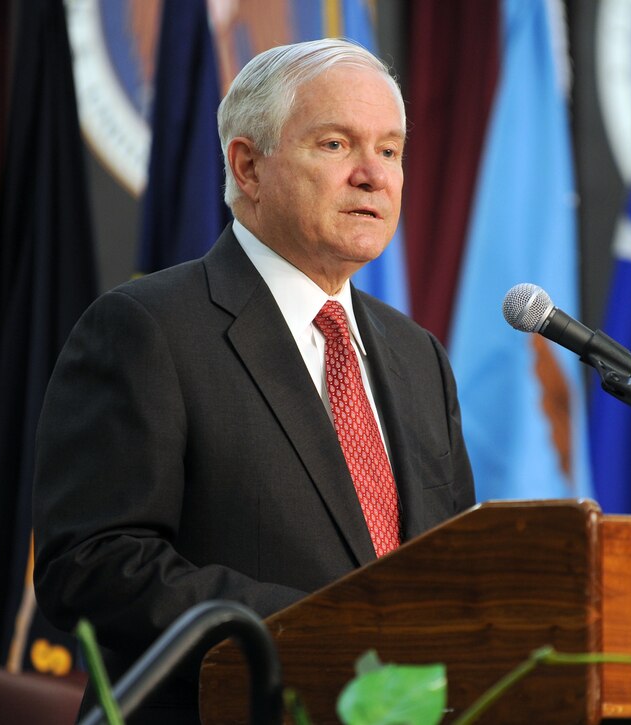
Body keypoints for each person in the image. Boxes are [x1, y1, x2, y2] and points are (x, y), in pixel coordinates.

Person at [32, 38, 475, 723]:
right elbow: (93, 562)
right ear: (248, 166)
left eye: (390, 151)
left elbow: (455, 568)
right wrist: (327, 629)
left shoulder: (418, 356)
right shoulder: (147, 329)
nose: (373, 175)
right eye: (336, 144)